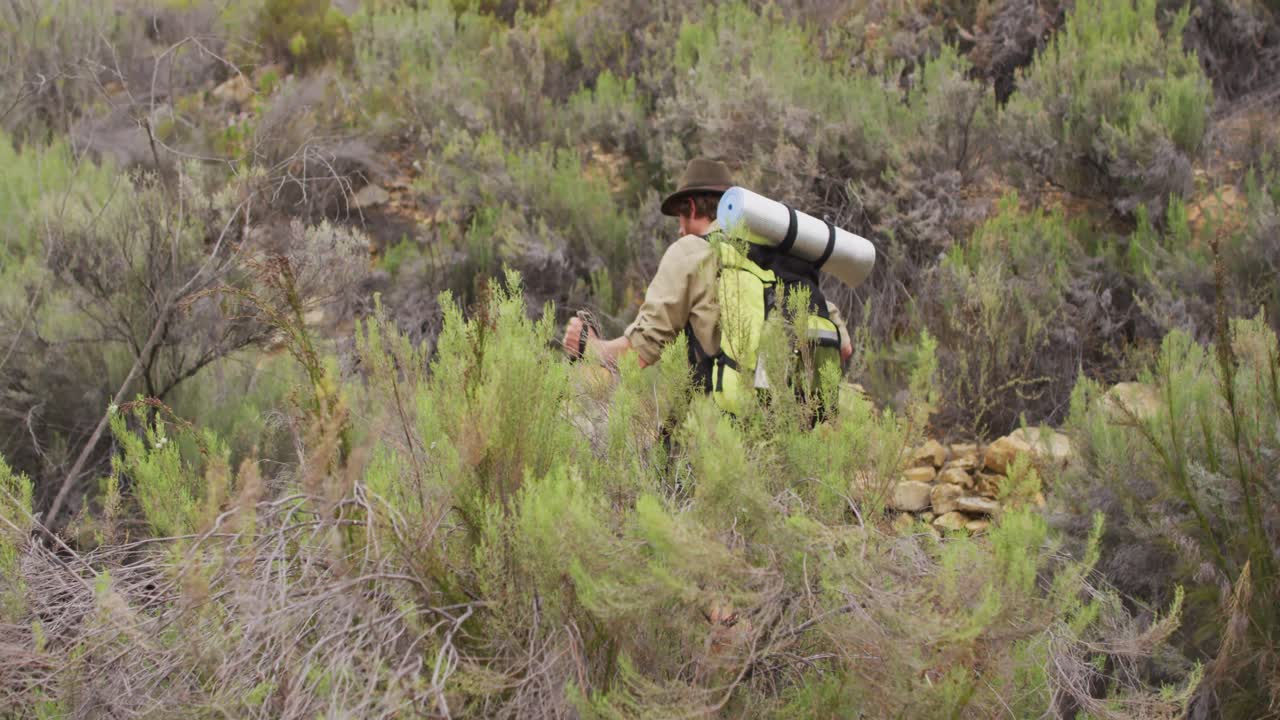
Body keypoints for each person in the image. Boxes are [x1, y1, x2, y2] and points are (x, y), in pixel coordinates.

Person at [562, 158, 853, 402]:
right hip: (791, 443)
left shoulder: (691, 251)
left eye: (679, 217)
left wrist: (589, 344)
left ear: (690, 207)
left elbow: (637, 355)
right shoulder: (784, 264)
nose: (678, 230)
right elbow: (843, 349)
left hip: (717, 443)